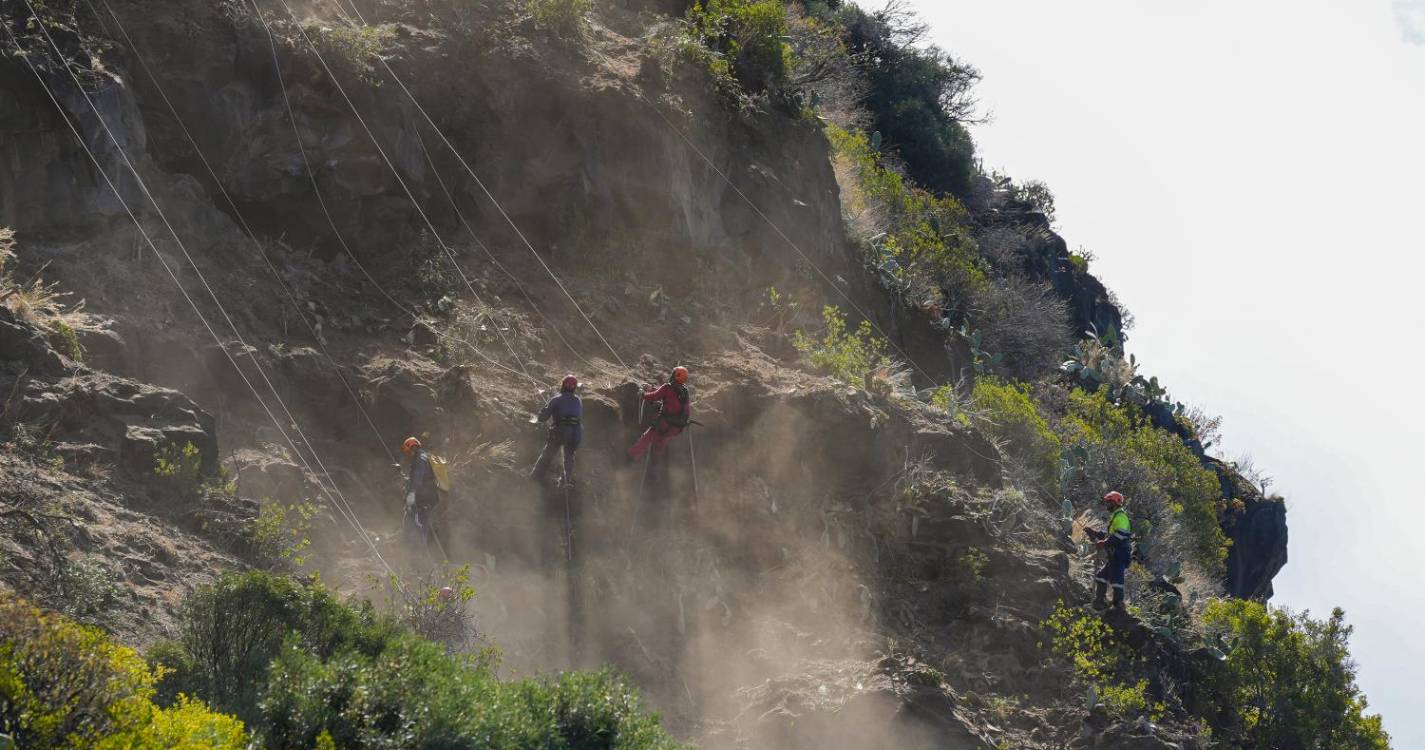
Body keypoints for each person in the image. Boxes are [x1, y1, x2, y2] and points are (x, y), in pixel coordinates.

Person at [628, 366, 691, 461]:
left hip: (664, 424)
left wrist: (643, 394)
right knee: (661, 440)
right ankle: (656, 461)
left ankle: (629, 457)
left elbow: (653, 397)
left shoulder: (667, 387)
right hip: (677, 427)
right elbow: (675, 404)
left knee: (646, 438)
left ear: (674, 375)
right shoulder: (685, 391)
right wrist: (653, 389)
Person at [530, 374, 583, 487]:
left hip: (561, 431)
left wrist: (542, 412)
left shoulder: (556, 400)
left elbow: (543, 417)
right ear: (574, 388)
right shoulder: (578, 400)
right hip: (576, 433)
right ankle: (564, 482)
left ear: (563, 385)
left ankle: (534, 478)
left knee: (548, 454)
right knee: (569, 456)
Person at [1089, 490, 1133, 610]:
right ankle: (1100, 602)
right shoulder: (1115, 517)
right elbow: (1110, 535)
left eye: (1109, 503)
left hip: (1121, 554)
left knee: (1117, 580)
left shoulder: (1121, 518)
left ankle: (1118, 606)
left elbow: (1118, 536)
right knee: (1101, 577)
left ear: (1115, 503)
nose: (1107, 505)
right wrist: (1095, 533)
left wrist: (1104, 543)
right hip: (1115, 555)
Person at [402, 436, 441, 548]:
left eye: (408, 452)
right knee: (420, 521)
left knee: (420, 523)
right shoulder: (423, 457)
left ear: (412, 448)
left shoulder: (420, 460)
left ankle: (421, 551)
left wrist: (412, 493)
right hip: (429, 496)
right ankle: (416, 547)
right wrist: (400, 472)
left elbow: (418, 479)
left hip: (425, 498)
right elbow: (415, 479)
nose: (408, 455)